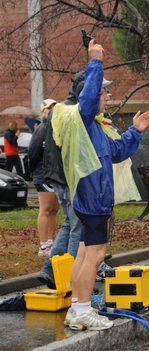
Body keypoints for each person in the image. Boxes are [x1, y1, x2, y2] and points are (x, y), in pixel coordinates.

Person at [52, 39, 149, 331]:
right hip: (92, 199)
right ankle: (83, 310)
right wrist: (95, 60)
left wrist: (135, 130)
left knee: (85, 253)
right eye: (104, 91)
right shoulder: (81, 118)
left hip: (94, 198)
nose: (108, 96)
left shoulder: (96, 125)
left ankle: (76, 309)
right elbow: (87, 100)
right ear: (90, 93)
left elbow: (118, 152)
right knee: (95, 256)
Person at [37, 73, 113, 288]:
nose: (106, 95)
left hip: (58, 175)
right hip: (70, 177)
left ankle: (50, 268)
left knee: (70, 221)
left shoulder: (62, 109)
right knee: (78, 226)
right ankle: (70, 277)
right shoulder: (74, 111)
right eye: (100, 90)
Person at [28, 99, 60, 257]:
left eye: (54, 108)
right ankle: (43, 245)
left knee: (54, 209)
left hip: (55, 175)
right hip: (43, 175)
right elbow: (33, 153)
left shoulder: (56, 128)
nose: (52, 111)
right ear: (43, 112)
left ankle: (50, 241)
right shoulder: (41, 129)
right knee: (46, 209)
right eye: (49, 109)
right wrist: (35, 173)